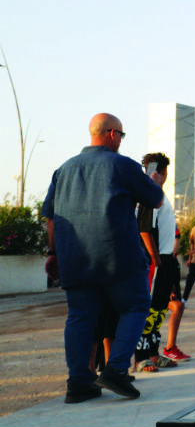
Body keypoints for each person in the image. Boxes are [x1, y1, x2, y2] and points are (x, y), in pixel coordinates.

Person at [42, 113, 164, 402]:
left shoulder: (63, 170)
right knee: (136, 306)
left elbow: (51, 219)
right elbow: (155, 200)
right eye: (121, 135)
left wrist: (53, 253)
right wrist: (154, 181)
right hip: (117, 257)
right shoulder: (122, 165)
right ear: (111, 134)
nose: (121, 140)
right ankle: (116, 370)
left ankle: (79, 383)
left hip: (74, 258)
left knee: (80, 317)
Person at [135, 152, 189, 370]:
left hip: (166, 259)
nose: (154, 174)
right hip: (155, 261)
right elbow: (144, 229)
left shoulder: (159, 195)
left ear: (164, 173)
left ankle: (154, 354)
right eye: (150, 170)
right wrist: (155, 259)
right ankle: (140, 358)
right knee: (148, 310)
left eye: (156, 170)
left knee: (158, 310)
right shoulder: (149, 195)